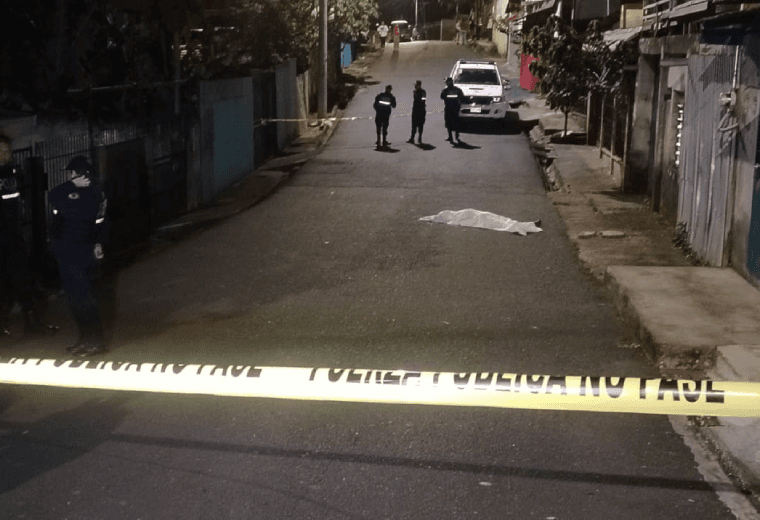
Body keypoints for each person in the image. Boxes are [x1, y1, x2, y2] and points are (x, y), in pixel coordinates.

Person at [48, 156, 109, 357]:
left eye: (72, 173)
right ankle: (85, 340)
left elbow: (54, 196)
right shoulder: (86, 191)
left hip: (77, 250)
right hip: (68, 249)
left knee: (82, 297)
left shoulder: (89, 192)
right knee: (74, 298)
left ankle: (95, 342)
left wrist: (71, 186)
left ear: (80, 175)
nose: (70, 176)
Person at [0, 136, 59, 338]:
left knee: (22, 278)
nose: (4, 155)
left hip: (14, 235)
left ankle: (31, 322)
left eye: (6, 151)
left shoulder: (13, 172)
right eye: (0, 151)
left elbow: (19, 201)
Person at [440, 77, 465, 143]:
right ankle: (456, 136)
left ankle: (450, 136)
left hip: (449, 108)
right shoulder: (457, 90)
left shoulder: (445, 90)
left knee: (448, 122)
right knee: (456, 122)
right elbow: (462, 97)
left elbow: (442, 97)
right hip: (455, 108)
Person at [408, 80, 427, 145]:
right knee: (413, 125)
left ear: (419, 85)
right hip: (415, 110)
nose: (415, 86)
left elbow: (423, 100)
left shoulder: (423, 92)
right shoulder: (416, 92)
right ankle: (412, 138)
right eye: (415, 85)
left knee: (420, 125)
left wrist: (417, 94)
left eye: (416, 85)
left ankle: (419, 138)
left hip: (421, 110)